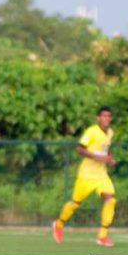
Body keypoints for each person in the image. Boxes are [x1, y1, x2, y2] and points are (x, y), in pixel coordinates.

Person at [53, 106, 117, 247]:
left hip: (101, 175)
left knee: (110, 200)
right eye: (104, 116)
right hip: (86, 175)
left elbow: (106, 150)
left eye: (109, 116)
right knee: (75, 203)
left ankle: (102, 236)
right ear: (98, 118)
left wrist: (109, 160)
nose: (107, 119)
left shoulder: (110, 133)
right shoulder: (91, 131)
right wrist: (97, 157)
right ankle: (59, 223)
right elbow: (80, 148)